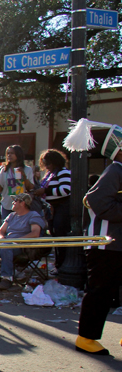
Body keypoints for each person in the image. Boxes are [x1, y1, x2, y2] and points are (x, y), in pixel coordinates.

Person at [63, 119, 122, 356]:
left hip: (117, 244)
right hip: (105, 244)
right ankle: (86, 338)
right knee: (100, 291)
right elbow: (98, 202)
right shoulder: (115, 171)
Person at [0, 193, 47, 290]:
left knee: (6, 246)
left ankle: (7, 278)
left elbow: (35, 233)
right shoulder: (11, 215)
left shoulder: (33, 215)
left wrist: (16, 241)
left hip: (21, 247)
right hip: (6, 244)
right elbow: (0, 231)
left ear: (22, 203)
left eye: (15, 201)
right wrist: (2, 238)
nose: (13, 203)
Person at [32, 149, 72, 269]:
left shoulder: (63, 172)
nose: (46, 166)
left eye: (48, 163)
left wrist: (45, 191)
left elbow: (66, 190)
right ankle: (58, 263)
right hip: (52, 209)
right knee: (55, 236)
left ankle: (62, 264)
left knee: (61, 236)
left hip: (62, 208)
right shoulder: (50, 174)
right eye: (45, 163)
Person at [0, 145, 35, 220]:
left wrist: (24, 176)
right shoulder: (4, 170)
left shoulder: (27, 169)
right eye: (8, 153)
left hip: (22, 205)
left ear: (18, 154)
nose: (9, 155)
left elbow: (30, 188)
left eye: (12, 153)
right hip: (7, 205)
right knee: (7, 226)